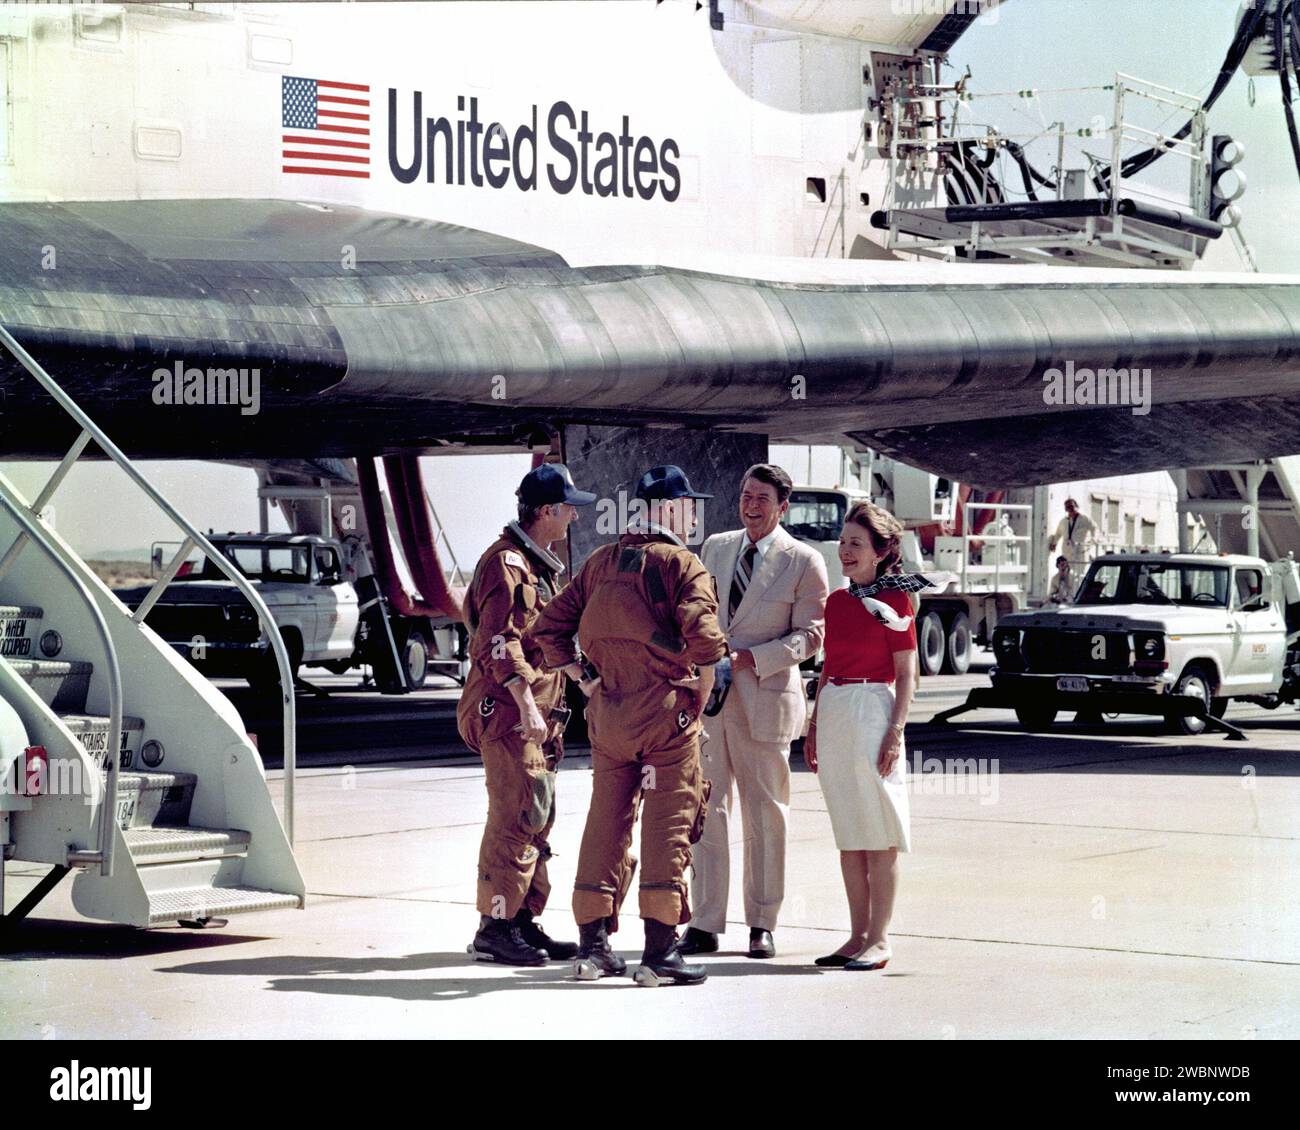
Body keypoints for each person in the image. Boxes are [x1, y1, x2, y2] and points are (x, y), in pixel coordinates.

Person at [531, 464, 728, 986]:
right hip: (666, 716)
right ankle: (661, 954)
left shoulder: (600, 562)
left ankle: (594, 949)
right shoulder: (682, 564)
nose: (692, 514)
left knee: (606, 821)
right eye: (688, 505)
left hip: (609, 715)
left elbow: (547, 630)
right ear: (669, 510)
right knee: (669, 821)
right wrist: (700, 695)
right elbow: (707, 643)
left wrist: (585, 677)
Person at [679, 463, 828, 960]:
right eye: (746, 495)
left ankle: (762, 922)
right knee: (708, 808)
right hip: (712, 704)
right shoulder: (716, 548)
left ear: (783, 505)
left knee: (766, 815)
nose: (752, 505)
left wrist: (748, 658)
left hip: (765, 699)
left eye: (762, 497)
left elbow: (811, 635)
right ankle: (704, 921)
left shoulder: (804, 560)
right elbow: (699, 614)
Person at [458, 463, 596, 966]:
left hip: (538, 715)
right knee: (516, 815)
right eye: (568, 510)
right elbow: (498, 643)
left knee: (537, 817)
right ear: (546, 512)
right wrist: (523, 705)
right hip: (512, 714)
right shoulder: (507, 564)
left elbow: (544, 638)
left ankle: (519, 919)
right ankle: (494, 926)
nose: (573, 520)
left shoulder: (535, 564)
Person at [805, 500, 918, 972]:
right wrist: (812, 725)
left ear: (880, 551)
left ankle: (879, 938)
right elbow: (829, 664)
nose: (845, 550)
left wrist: (895, 731)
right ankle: (855, 937)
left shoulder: (896, 600)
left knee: (879, 831)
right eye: (843, 542)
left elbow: (907, 673)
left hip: (874, 708)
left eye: (855, 543)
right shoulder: (836, 601)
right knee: (850, 832)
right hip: (834, 706)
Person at [1047, 498, 1097, 585]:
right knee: (1068, 574)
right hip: (1067, 551)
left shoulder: (1085, 519)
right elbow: (1058, 534)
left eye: (1071, 506)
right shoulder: (1064, 521)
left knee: (1081, 574)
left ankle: (1079, 594)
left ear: (1076, 506)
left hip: (1081, 551)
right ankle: (1069, 594)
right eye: (1067, 507)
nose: (1070, 508)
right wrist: (1054, 543)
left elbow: (1095, 528)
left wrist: (1093, 540)